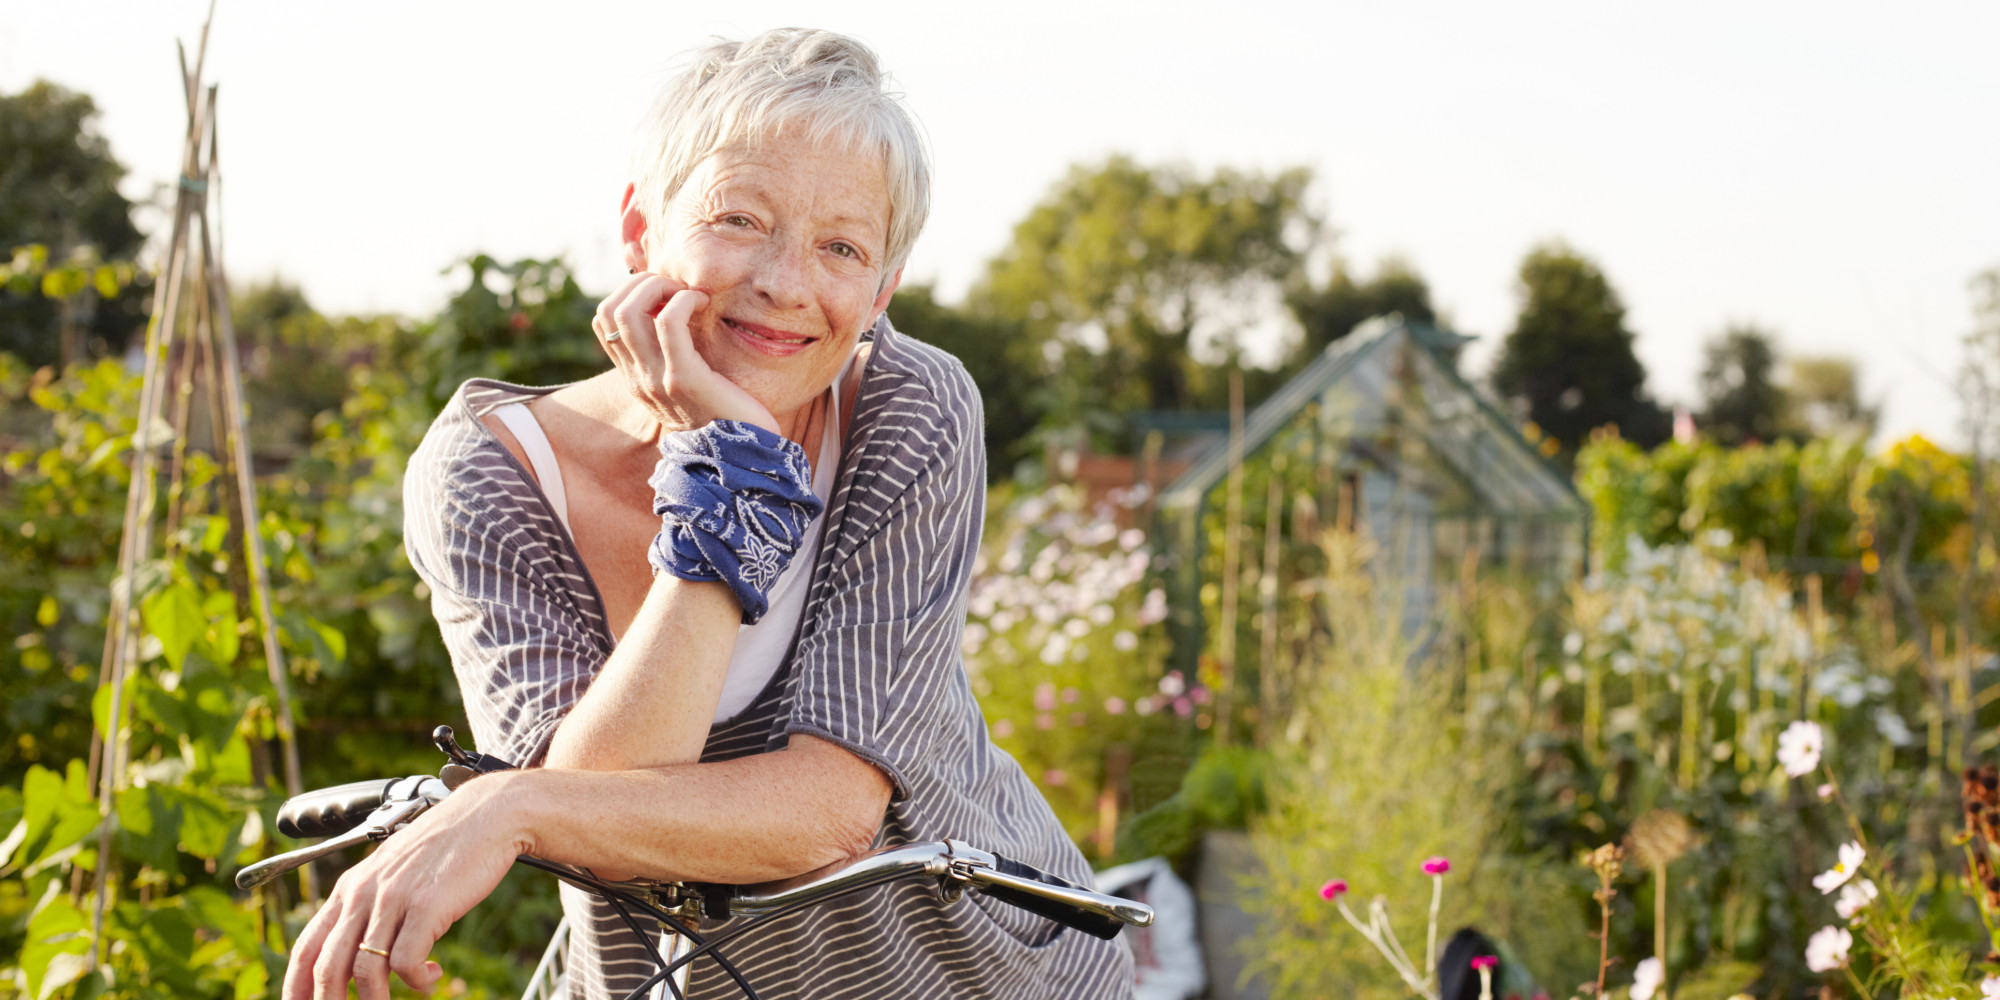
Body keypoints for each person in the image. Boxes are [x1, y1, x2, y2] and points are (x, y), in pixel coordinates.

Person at [280, 27, 1135, 1000]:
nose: (782, 281)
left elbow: (827, 811)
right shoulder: (491, 473)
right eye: (739, 219)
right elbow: (598, 830)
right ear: (640, 229)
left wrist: (512, 802)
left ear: (883, 289)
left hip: (975, 973)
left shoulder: (910, 407)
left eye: (841, 247)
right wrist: (730, 474)